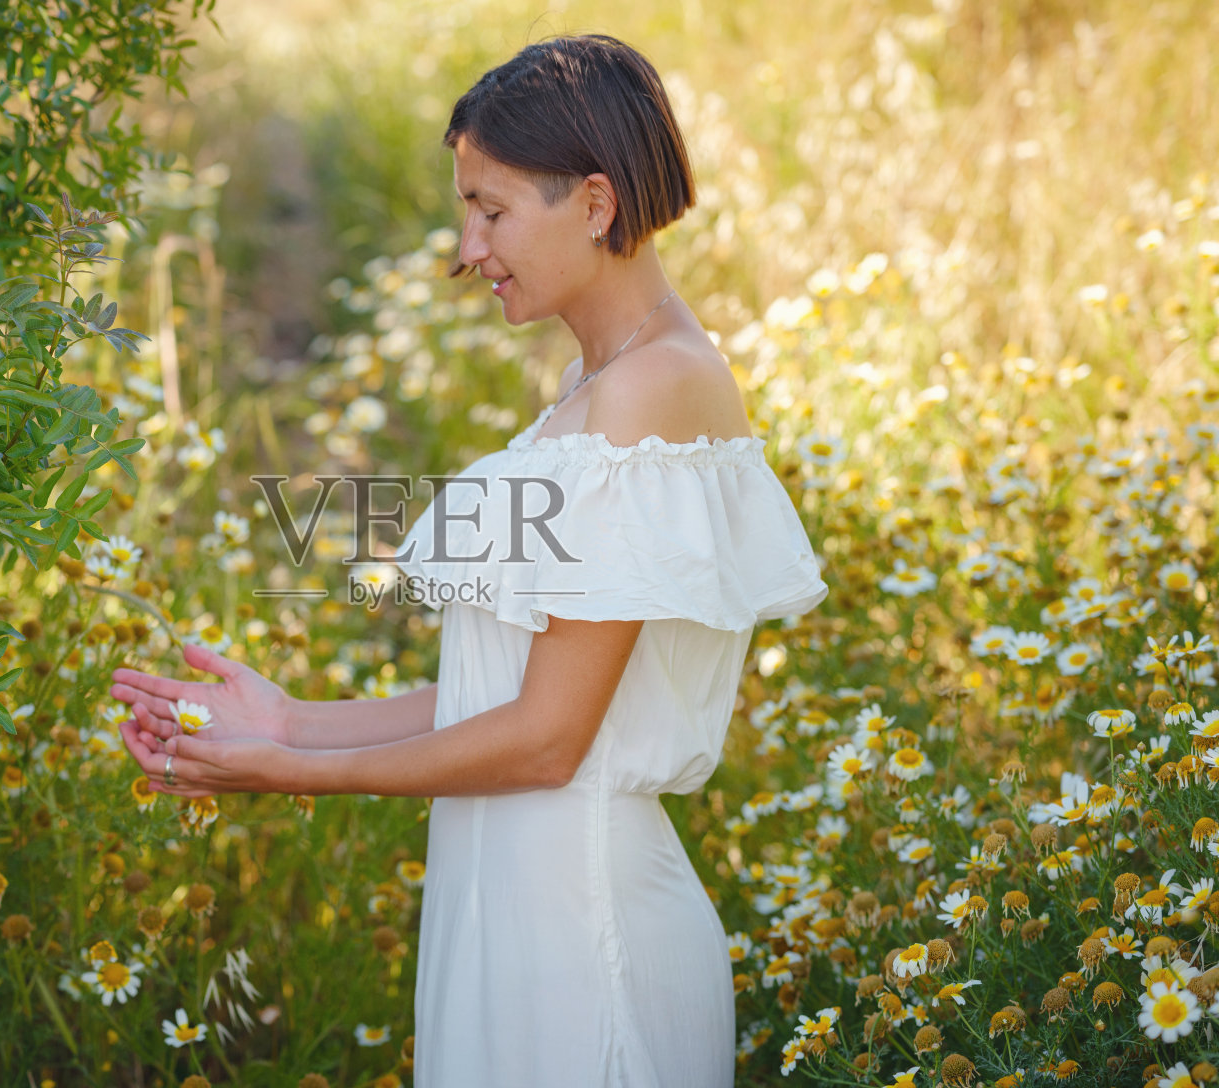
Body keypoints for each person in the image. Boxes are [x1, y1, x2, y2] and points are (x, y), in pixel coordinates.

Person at [110, 34, 828, 1087]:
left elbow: (546, 741)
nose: (466, 246)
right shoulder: (606, 384)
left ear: (592, 201)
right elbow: (506, 691)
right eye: (466, 208)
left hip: (583, 940)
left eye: (490, 209)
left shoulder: (650, 390)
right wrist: (293, 720)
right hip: (515, 914)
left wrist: (296, 772)